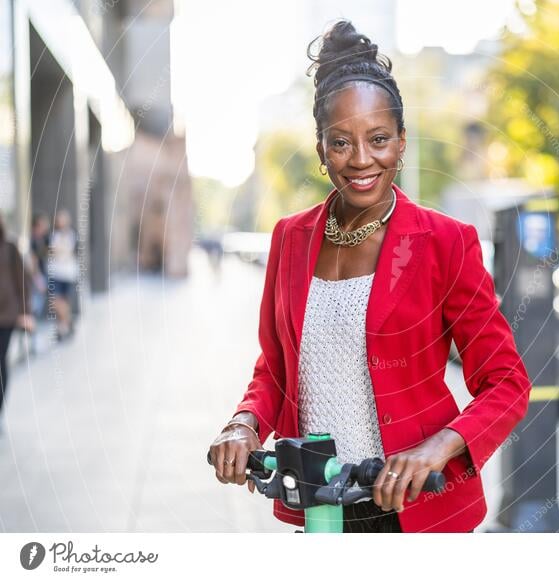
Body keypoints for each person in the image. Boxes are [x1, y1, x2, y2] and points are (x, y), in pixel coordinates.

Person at [208, 20, 530, 533]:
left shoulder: (444, 242)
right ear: (319, 149)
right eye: (341, 143)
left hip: (419, 511)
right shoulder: (291, 238)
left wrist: (435, 450)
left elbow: (506, 382)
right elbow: (275, 368)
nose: (361, 160)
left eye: (379, 139)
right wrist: (243, 424)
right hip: (320, 508)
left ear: (401, 142)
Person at [0, 215, 33, 417]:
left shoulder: (10, 248)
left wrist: (25, 312)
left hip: (6, 315)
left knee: (1, 359)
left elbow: (23, 280)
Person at [47, 209, 79, 341]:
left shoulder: (72, 235)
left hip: (68, 274)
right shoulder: (53, 235)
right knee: (56, 301)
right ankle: (68, 322)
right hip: (55, 273)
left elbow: (69, 252)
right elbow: (52, 252)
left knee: (64, 301)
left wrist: (60, 252)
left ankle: (61, 328)